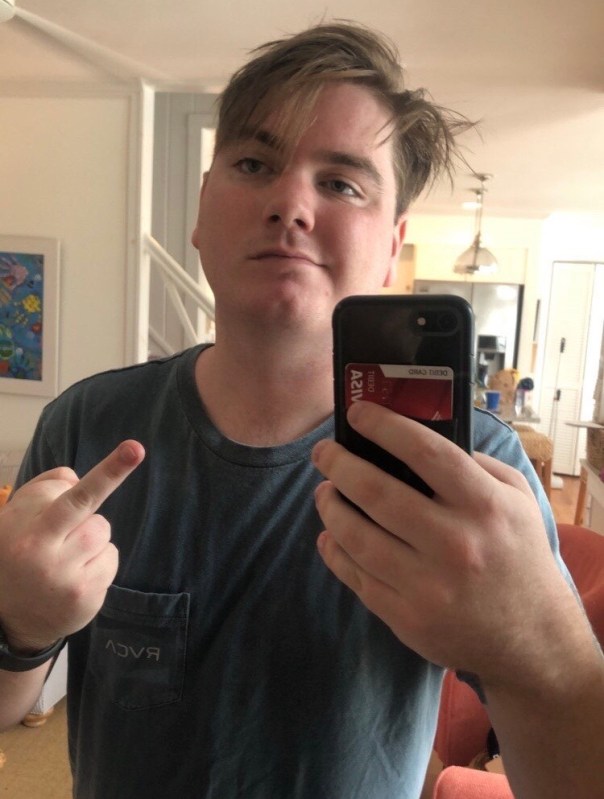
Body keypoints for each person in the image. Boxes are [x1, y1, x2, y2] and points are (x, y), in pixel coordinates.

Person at [0, 21, 602, 799]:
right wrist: (18, 625)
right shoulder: (85, 425)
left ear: (392, 246)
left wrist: (534, 643)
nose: (289, 203)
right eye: (254, 163)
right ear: (202, 207)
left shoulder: (475, 471)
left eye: (343, 183)